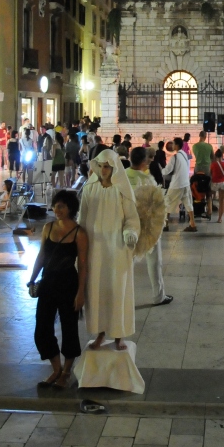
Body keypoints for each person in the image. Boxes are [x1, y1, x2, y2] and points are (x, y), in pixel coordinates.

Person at [80, 149, 140, 351]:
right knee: (97, 291)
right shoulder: (90, 189)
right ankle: (100, 333)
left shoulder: (121, 190)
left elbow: (131, 217)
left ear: (113, 168)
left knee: (117, 290)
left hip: (117, 249)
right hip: (95, 249)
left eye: (107, 167)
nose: (104, 170)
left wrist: (130, 232)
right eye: (101, 166)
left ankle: (119, 335)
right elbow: (83, 216)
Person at [28, 189, 88, 388]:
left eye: (61, 206)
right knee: (42, 327)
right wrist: (32, 279)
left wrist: (81, 292)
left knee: (69, 328)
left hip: (68, 283)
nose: (57, 209)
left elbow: (83, 265)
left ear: (70, 208)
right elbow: (42, 256)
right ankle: (56, 368)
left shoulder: (79, 233)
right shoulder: (48, 227)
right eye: (55, 205)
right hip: (48, 282)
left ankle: (66, 371)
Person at [126, 147, 172, 305]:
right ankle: (158, 296)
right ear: (144, 161)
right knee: (154, 260)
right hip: (147, 227)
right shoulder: (148, 180)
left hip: (128, 226)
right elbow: (157, 203)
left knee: (127, 260)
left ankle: (123, 296)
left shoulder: (123, 176)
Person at [162, 137, 197, 232]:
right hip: (185, 183)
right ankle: (192, 224)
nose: (172, 145)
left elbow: (167, 170)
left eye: (173, 144)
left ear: (176, 145)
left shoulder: (175, 157)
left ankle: (165, 224)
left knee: (167, 202)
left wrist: (159, 171)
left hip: (176, 184)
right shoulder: (184, 154)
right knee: (188, 203)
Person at [192, 130, 214, 218]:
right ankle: (209, 211)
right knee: (208, 190)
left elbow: (196, 155)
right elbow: (212, 157)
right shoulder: (209, 146)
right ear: (205, 137)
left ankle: (197, 209)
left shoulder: (194, 146)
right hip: (207, 169)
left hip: (197, 168)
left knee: (196, 188)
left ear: (199, 136)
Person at [210, 148, 224, 222]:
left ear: (215, 156)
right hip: (223, 183)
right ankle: (219, 218)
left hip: (214, 182)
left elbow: (211, 172)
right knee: (222, 201)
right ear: (222, 156)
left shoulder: (213, 164)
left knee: (209, 197)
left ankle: (209, 211)